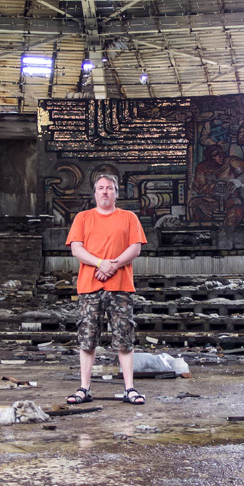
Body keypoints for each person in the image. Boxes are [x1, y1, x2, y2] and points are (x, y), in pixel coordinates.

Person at [65, 173, 149, 406]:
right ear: (94, 193)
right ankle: (84, 388)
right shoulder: (83, 218)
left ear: (116, 193)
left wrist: (112, 266)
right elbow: (76, 249)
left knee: (124, 339)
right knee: (87, 339)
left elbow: (135, 248)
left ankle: (129, 388)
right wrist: (102, 264)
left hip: (121, 287)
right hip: (90, 287)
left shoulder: (129, 217)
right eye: (101, 188)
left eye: (110, 188)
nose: (105, 191)